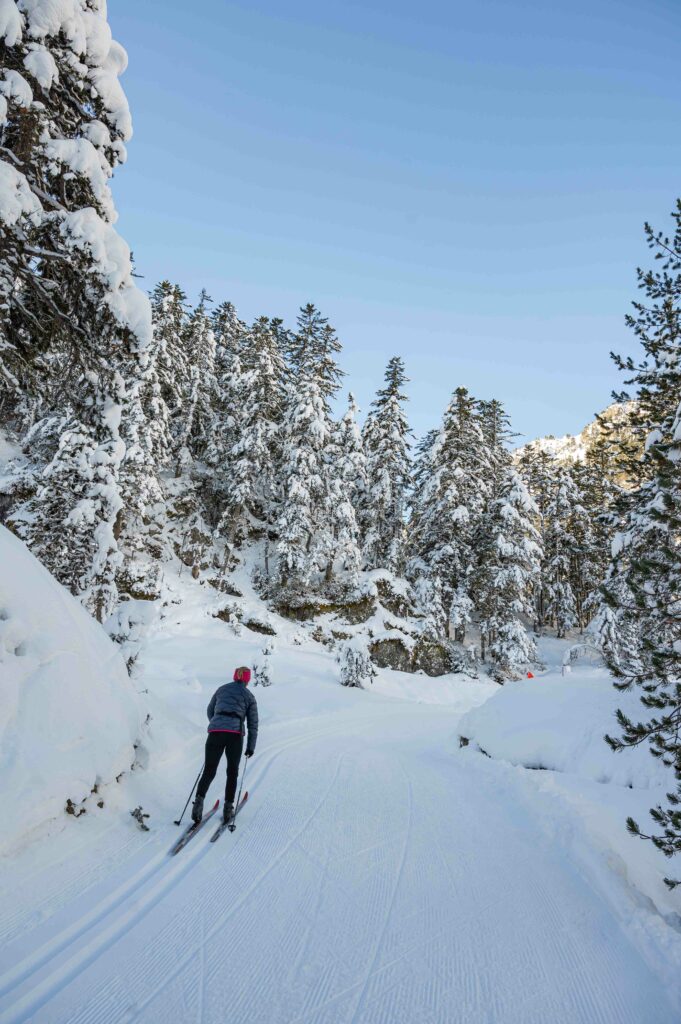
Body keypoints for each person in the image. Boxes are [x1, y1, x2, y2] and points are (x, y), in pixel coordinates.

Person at [192, 666, 258, 824]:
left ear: (235, 676)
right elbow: (253, 724)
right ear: (247, 679)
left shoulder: (221, 690)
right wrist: (250, 747)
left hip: (215, 732)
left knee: (209, 770)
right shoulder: (249, 696)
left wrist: (217, 723)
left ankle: (198, 802)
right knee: (232, 771)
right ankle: (228, 809)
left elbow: (210, 710)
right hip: (235, 735)